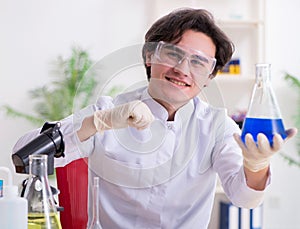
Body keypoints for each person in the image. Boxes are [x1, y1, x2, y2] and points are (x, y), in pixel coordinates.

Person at [13, 8, 297, 229]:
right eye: (173, 54)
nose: (183, 69)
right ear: (150, 56)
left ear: (210, 77)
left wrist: (256, 165)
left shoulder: (216, 125)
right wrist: (97, 123)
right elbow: (22, 156)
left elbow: (245, 199)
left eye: (199, 62)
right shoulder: (109, 111)